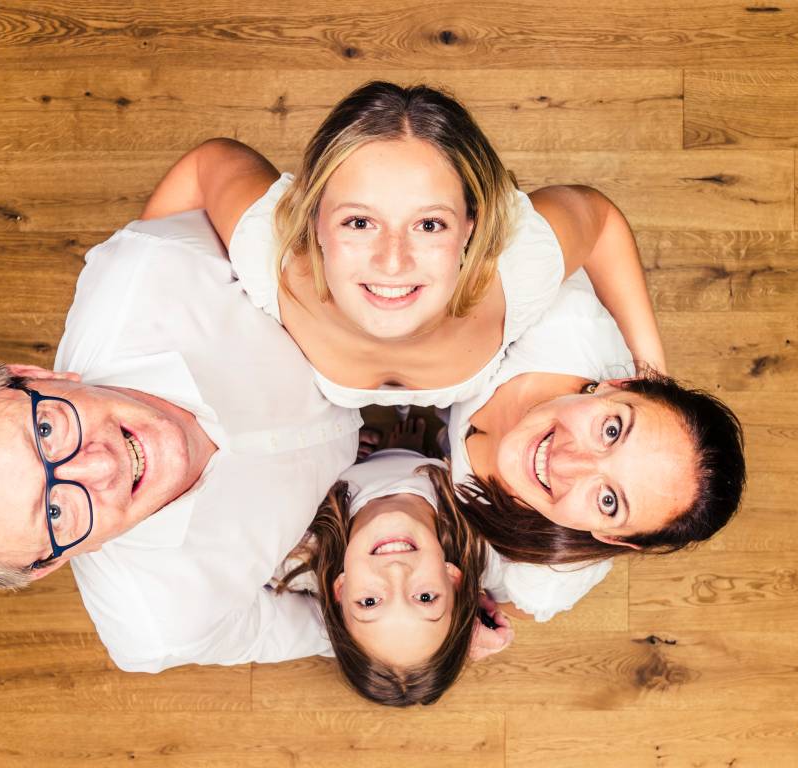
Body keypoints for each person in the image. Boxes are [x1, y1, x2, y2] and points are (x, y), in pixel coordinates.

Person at [0, 210, 362, 671]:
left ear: (36, 376)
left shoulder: (148, 274)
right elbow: (341, 628)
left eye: (45, 431)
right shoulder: (161, 628)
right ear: (49, 563)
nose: (102, 466)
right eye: (55, 513)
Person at [141, 81, 665, 408]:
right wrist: (138, 312)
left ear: (471, 227)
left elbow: (598, 220)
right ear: (314, 220)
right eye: (359, 222)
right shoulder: (266, 249)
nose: (393, 263)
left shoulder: (521, 263)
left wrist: (653, 375)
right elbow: (208, 163)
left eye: (429, 225)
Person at [446, 271, 746, 634]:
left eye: (608, 501)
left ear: (609, 536)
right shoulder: (560, 317)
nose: (566, 462)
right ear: (617, 386)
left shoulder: (548, 575)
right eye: (612, 431)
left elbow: (522, 606)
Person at [275, 449, 488, 706]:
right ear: (452, 578)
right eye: (425, 597)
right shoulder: (480, 519)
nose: (395, 570)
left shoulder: (295, 543)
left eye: (369, 602)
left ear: (341, 588)